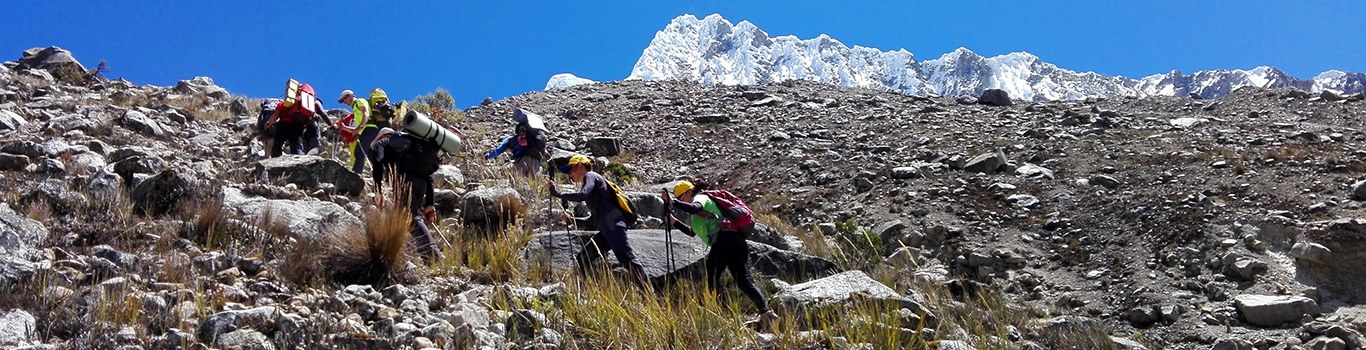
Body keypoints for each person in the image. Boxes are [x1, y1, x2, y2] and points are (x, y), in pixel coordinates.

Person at [662, 181, 769, 313]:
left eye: (681, 198)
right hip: (736, 241)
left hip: (723, 241)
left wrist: (673, 202)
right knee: (743, 281)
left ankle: (719, 313)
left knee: (711, 278)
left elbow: (695, 208)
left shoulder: (701, 198)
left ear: (689, 192)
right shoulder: (699, 216)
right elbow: (692, 233)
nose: (681, 201)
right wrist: (673, 221)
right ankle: (766, 312)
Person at [547, 155, 649, 287]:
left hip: (613, 224)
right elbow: (594, 220)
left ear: (580, 165)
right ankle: (584, 290)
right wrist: (573, 221)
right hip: (608, 227)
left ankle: (648, 292)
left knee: (627, 259)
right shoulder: (593, 185)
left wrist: (559, 194)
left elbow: (582, 195)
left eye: (571, 170)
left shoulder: (591, 176)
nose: (570, 175)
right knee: (583, 258)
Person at [371, 127, 441, 260]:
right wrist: (430, 204)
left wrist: (378, 190)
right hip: (421, 184)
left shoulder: (383, 143)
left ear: (382, 136)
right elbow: (428, 175)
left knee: (411, 217)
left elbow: (378, 165)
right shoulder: (412, 146)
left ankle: (434, 256)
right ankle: (402, 251)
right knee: (404, 216)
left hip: (404, 181)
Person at [265, 83, 321, 158]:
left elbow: (275, 115)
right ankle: (298, 163)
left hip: (283, 125)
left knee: (277, 145)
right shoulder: (308, 105)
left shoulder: (286, 103)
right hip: (298, 127)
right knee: (296, 146)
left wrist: (269, 124)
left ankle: (275, 161)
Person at [337, 90, 372, 174]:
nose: (344, 102)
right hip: (366, 130)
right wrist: (344, 127)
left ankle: (356, 174)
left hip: (370, 128)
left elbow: (366, 114)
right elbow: (355, 130)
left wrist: (360, 127)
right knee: (369, 153)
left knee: (359, 152)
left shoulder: (359, 101)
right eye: (342, 101)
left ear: (351, 95)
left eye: (344, 99)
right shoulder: (355, 109)